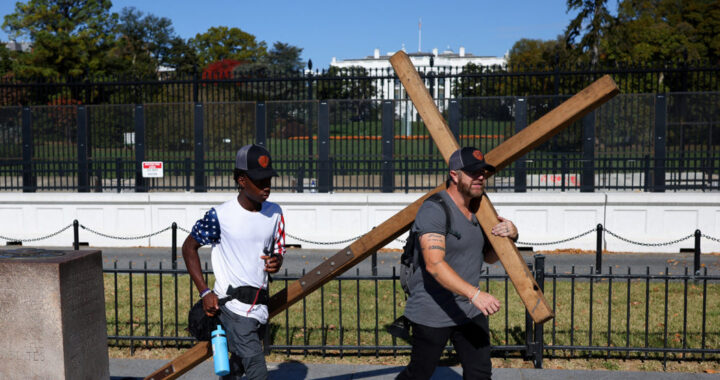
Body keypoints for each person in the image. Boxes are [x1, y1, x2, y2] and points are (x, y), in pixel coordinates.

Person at [396, 147, 519, 380]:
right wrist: (476, 294)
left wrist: (510, 234)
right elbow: (434, 265)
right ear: (454, 175)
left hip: (469, 311)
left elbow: (488, 258)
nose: (481, 176)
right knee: (418, 374)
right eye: (473, 172)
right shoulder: (435, 209)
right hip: (432, 310)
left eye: (483, 171)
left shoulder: (479, 209)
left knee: (480, 374)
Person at [182, 144, 286, 380]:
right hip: (233, 308)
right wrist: (204, 292)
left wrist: (277, 260)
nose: (266, 185)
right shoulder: (220, 215)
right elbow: (189, 247)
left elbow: (278, 247)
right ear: (241, 180)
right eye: (259, 180)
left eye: (268, 178)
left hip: (260, 307)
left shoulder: (275, 213)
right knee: (258, 372)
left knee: (235, 370)